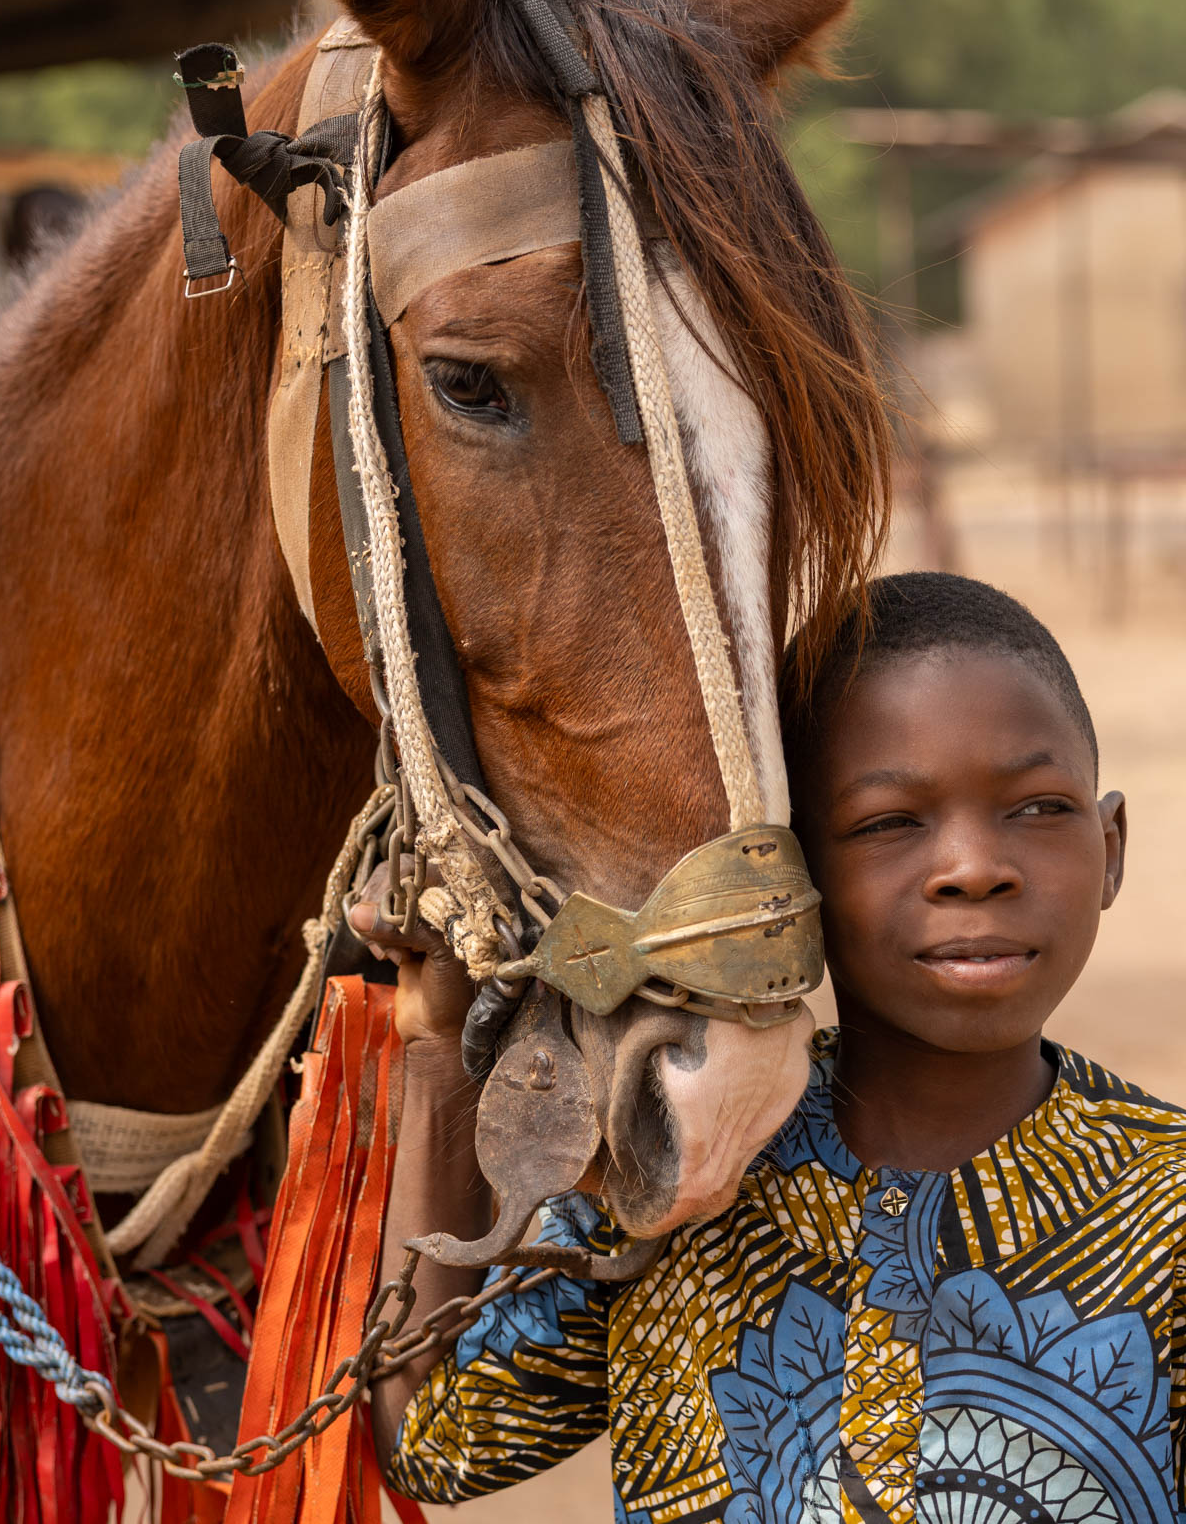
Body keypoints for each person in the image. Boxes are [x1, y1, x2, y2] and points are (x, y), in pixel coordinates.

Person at [354, 571, 1186, 1523]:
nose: (974, 868)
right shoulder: (674, 1170)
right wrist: (434, 1040)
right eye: (889, 823)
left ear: (1111, 844)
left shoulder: (1167, 1210)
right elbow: (433, 1441)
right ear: (792, 876)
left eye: (1037, 807)